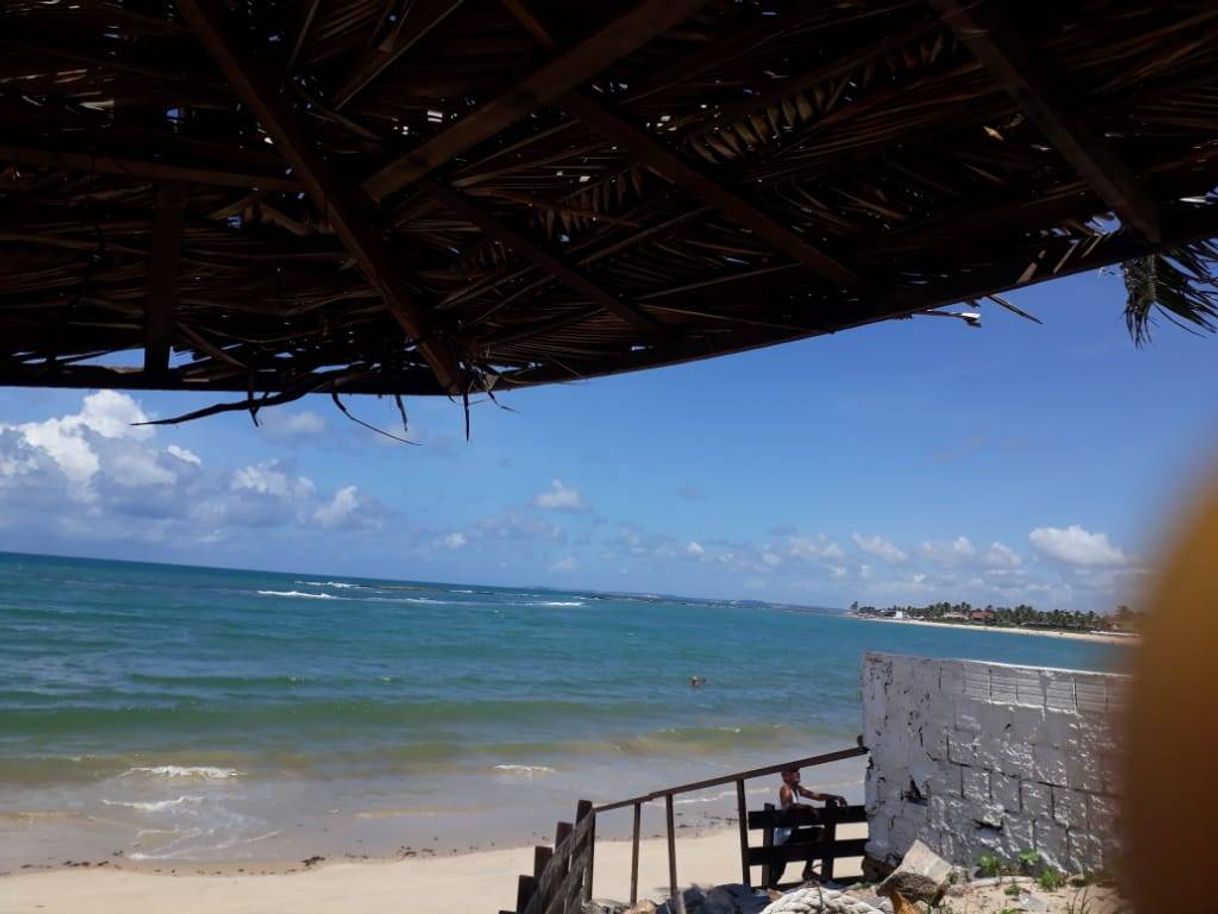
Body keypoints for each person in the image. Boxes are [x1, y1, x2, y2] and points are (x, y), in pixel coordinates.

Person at [770, 767, 847, 887]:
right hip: (785, 837)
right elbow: (788, 806)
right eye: (793, 771)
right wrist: (808, 807)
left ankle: (807, 870)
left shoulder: (796, 789)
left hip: (789, 836)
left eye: (797, 771)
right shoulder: (785, 789)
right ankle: (807, 870)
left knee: (778, 870)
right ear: (785, 777)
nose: (798, 773)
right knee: (778, 870)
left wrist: (836, 797)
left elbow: (816, 795)